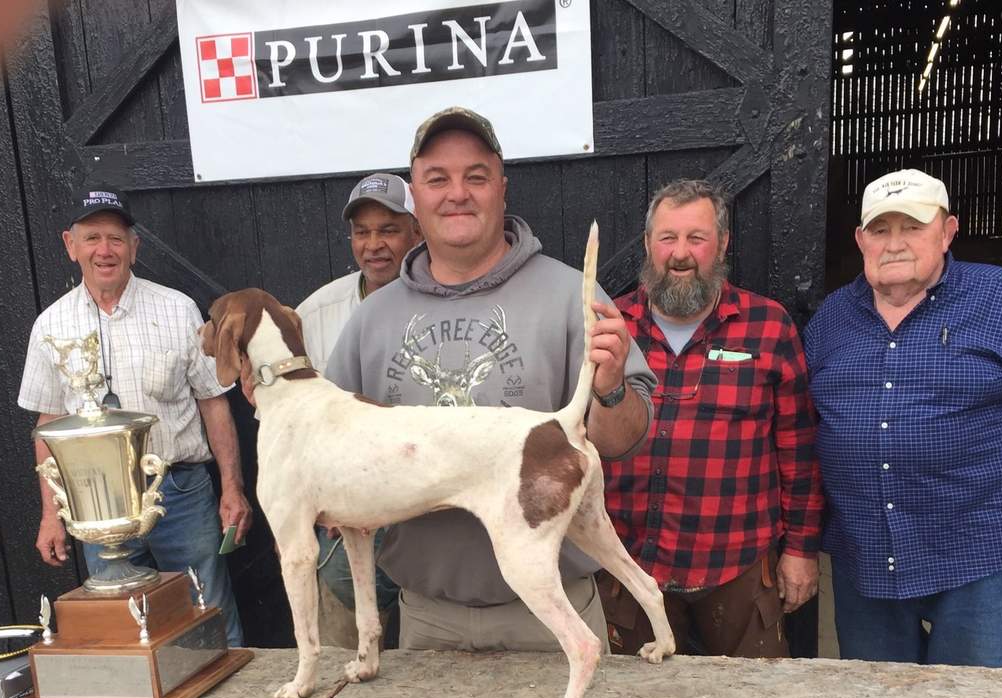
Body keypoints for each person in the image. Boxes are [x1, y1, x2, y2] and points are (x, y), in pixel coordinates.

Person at [323, 107, 657, 651]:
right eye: (438, 179)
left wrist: (612, 386)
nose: (457, 193)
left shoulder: (574, 298)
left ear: (502, 187)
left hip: (553, 617)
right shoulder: (372, 318)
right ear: (416, 197)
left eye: (475, 176)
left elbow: (622, 444)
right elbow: (332, 439)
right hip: (427, 619)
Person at [803, 168, 1002, 667]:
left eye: (912, 227)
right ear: (861, 240)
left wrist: (970, 486)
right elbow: (808, 426)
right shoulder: (832, 318)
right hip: (865, 559)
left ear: (948, 231)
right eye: (881, 230)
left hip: (978, 560)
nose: (895, 244)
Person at [18, 185, 252, 647]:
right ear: (70, 245)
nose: (105, 250)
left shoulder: (177, 309)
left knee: (210, 616)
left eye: (116, 238)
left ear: (134, 247)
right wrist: (52, 514)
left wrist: (232, 488)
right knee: (123, 631)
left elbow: (213, 402)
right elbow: (47, 426)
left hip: (180, 491)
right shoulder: (50, 326)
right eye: (92, 238)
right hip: (96, 504)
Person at [601, 179, 823, 658]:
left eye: (696, 238)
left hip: (738, 564)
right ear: (647, 245)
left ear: (722, 244)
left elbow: (798, 449)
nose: (680, 254)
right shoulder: (608, 329)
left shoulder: (768, 325)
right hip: (629, 565)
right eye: (667, 238)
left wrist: (801, 550)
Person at [296, 173, 421, 644]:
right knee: (343, 664)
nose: (374, 245)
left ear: (418, 231)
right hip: (341, 529)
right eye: (362, 232)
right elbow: (288, 430)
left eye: (388, 230)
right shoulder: (314, 313)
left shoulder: (443, 307)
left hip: (422, 518)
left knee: (427, 667)